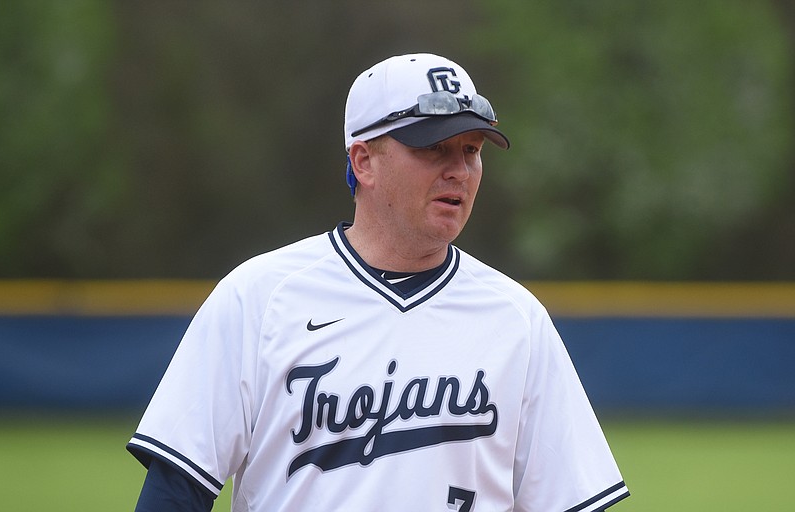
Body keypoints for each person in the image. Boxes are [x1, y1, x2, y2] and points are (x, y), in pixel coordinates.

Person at [127, 52, 629, 512]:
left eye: (472, 149)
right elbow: (176, 491)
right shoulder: (259, 297)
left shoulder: (517, 320)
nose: (460, 170)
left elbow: (570, 499)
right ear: (363, 160)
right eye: (434, 148)